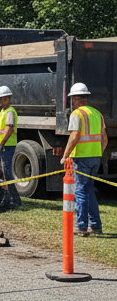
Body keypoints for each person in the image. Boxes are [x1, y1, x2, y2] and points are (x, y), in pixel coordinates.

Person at [57, 83, 108, 237]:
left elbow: (74, 136)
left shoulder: (76, 114)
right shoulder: (97, 113)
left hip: (81, 159)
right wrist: (97, 152)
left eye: (72, 100)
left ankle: (81, 227)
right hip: (94, 158)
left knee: (80, 192)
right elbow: (104, 138)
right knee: (89, 191)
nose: (72, 103)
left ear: (76, 99)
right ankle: (95, 225)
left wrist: (65, 156)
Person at [0, 86, 20, 211]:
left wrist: (1, 144)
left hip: (6, 146)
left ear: (9, 99)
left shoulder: (10, 112)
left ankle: (13, 200)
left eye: (3, 99)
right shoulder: (4, 111)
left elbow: (9, 129)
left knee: (6, 173)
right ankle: (0, 198)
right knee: (0, 173)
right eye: (0, 99)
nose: (1, 101)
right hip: (2, 147)